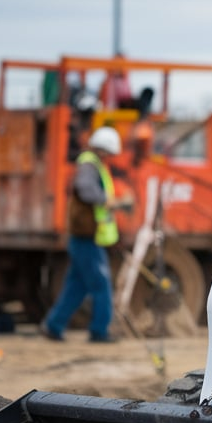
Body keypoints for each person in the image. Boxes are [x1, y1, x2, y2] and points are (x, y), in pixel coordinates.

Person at [41, 126, 130, 343]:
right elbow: (86, 189)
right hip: (86, 238)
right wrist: (107, 200)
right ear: (103, 149)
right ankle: (99, 331)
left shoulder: (92, 163)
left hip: (87, 237)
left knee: (76, 286)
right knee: (101, 284)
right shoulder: (89, 164)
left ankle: (54, 326)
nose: (110, 157)